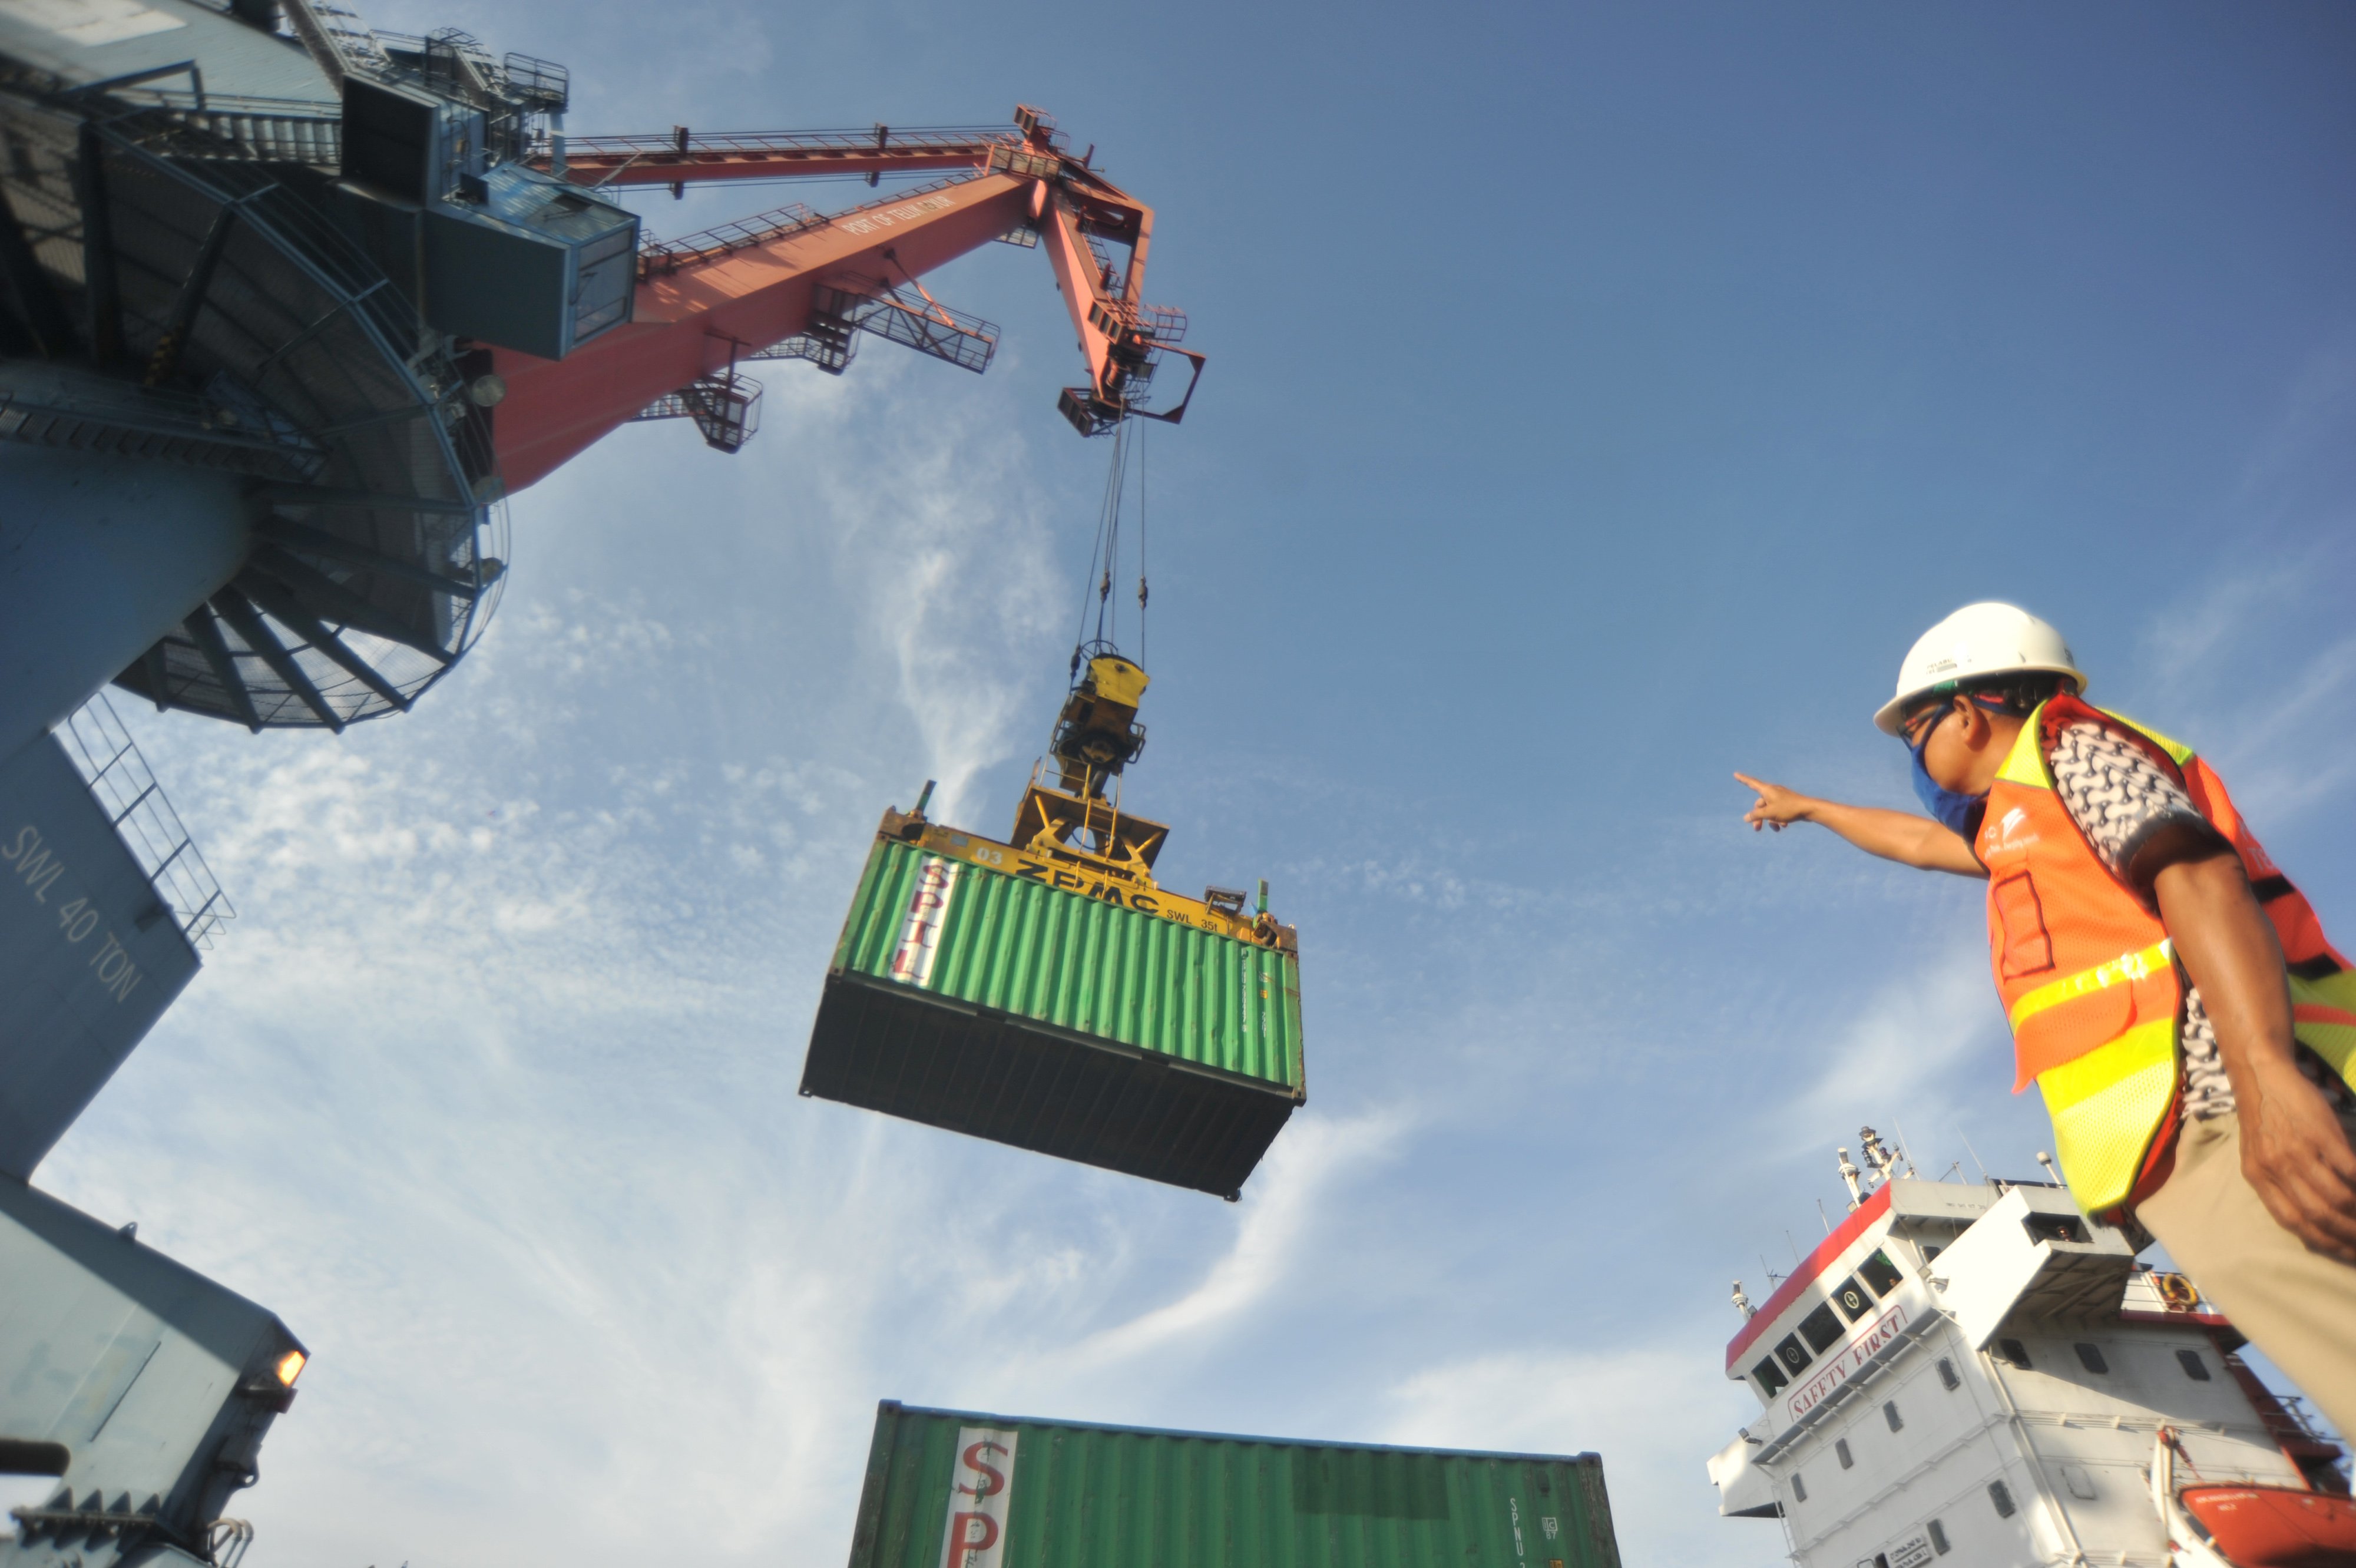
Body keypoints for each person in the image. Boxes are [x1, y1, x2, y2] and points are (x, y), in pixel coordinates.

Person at [1736, 602, 2356, 1437]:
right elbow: (1919, 845)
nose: (1913, 759)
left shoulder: (2070, 750)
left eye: (1914, 733)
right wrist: (1811, 808)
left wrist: (2266, 1075)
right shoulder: (2021, 819)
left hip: (2229, 1111)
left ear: (1966, 713)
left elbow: (2196, 872)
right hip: (2199, 1131)